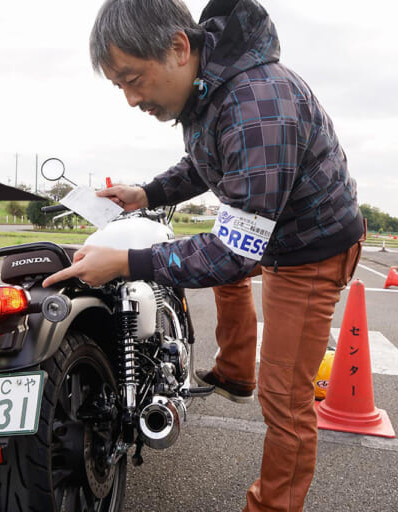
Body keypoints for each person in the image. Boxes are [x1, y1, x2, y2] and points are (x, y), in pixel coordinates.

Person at [43, 0, 364, 510]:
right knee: (216, 261)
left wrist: (126, 263)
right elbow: (202, 162)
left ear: (177, 47)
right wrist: (145, 194)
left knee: (285, 398)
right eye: (118, 86)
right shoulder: (209, 87)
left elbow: (232, 253)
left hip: (309, 248)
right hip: (270, 226)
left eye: (133, 79)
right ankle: (236, 369)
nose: (130, 99)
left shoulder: (258, 103)